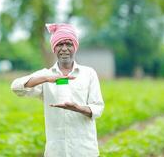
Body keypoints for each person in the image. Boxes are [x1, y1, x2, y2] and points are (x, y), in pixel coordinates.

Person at [11, 23, 104, 157]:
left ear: (75, 48)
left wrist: (77, 108)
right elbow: (16, 87)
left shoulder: (88, 73)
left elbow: (98, 107)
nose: (64, 49)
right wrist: (45, 79)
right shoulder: (46, 75)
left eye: (69, 44)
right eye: (60, 44)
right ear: (54, 49)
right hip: (56, 151)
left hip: (84, 149)